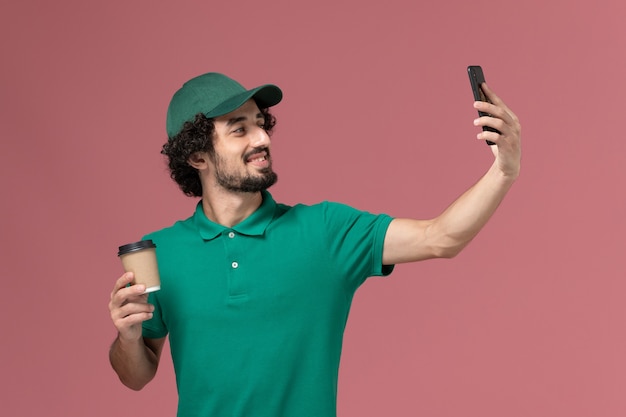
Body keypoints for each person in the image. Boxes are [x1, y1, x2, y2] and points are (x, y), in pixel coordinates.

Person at [108, 72, 521, 417]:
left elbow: (441, 237)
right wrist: (128, 338)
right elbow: (136, 375)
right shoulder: (159, 254)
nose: (262, 138)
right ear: (197, 156)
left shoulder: (324, 231)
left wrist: (503, 170)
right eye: (240, 129)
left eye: (260, 123)